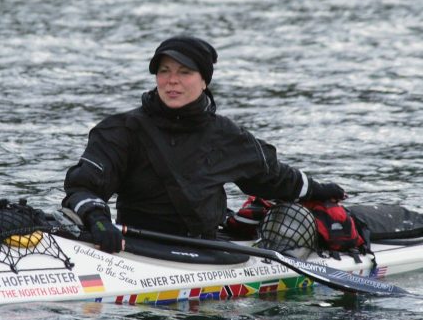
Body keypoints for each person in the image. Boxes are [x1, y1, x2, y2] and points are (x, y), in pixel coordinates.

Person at [61, 36, 345, 253]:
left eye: (184, 72)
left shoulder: (227, 135)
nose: (172, 81)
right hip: (136, 250)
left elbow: (273, 178)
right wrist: (97, 220)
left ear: (204, 81)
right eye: (164, 71)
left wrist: (318, 190)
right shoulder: (120, 130)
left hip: (206, 253)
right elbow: (82, 186)